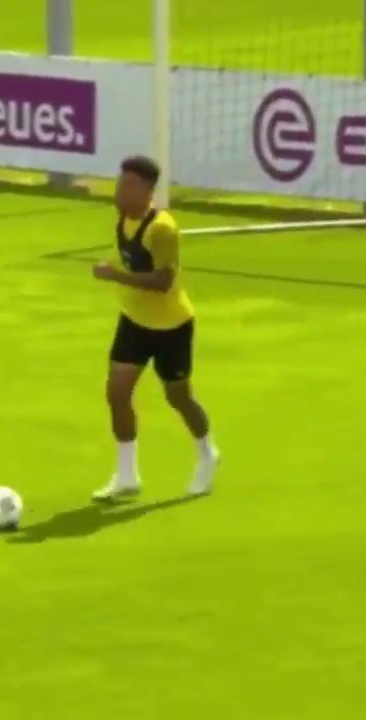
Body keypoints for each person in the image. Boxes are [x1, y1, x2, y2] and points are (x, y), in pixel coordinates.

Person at [90, 156, 219, 500]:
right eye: (120, 184)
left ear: (148, 191)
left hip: (171, 327)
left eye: (128, 186)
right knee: (117, 393)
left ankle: (208, 454)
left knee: (178, 397)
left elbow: (164, 282)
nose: (120, 191)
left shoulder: (162, 229)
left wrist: (116, 276)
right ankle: (127, 476)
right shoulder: (123, 219)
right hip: (134, 321)